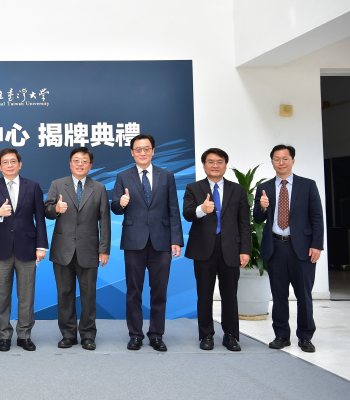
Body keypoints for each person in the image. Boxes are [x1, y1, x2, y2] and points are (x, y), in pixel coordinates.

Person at [111, 134, 184, 352]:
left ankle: (156, 335)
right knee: (133, 290)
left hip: (162, 241)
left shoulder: (167, 176)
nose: (142, 153)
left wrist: (176, 240)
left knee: (159, 291)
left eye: (146, 149)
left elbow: (173, 209)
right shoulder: (123, 176)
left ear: (153, 151)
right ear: (132, 152)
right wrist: (121, 203)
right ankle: (135, 335)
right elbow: (115, 207)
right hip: (134, 241)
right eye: (138, 149)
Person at [254, 144, 324, 353]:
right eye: (277, 159)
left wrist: (317, 245)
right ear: (272, 162)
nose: (281, 162)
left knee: (303, 295)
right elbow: (258, 218)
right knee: (279, 294)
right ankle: (281, 335)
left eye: (285, 158)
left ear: (293, 160)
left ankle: (305, 336)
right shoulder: (264, 187)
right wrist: (263, 206)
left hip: (302, 248)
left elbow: (317, 217)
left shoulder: (308, 185)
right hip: (275, 246)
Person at [182, 148, 250, 352]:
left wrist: (245, 250)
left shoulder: (238, 190)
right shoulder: (193, 188)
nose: (215, 165)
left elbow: (244, 222)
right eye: (210, 162)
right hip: (203, 248)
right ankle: (206, 335)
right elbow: (187, 214)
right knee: (204, 294)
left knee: (230, 295)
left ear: (225, 165)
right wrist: (201, 210)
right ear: (204, 165)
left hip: (231, 248)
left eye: (219, 162)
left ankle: (231, 336)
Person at [44, 147, 111, 351]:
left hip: (89, 249)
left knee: (89, 295)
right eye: (76, 160)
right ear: (70, 163)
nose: (80, 164)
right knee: (64, 294)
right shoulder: (57, 184)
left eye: (84, 161)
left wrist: (104, 249)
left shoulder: (99, 188)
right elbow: (46, 210)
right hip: (63, 249)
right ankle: (68, 335)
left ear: (90, 165)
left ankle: (88, 335)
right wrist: (56, 209)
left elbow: (104, 220)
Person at [0, 148, 48, 352]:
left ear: (20, 164)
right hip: (0, 248)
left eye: (13, 161)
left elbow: (40, 218)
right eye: (5, 162)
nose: (9, 165)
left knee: (26, 295)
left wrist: (41, 246)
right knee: (2, 296)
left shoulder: (33, 186)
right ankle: (4, 336)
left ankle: (24, 335)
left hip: (27, 247)